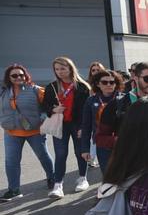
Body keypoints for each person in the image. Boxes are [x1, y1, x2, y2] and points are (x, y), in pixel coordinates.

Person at [0, 64, 55, 201]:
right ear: (9, 77)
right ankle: (14, 189)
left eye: (21, 75)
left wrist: (42, 118)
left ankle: (52, 178)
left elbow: (48, 106)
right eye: (14, 75)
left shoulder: (35, 90)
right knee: (11, 161)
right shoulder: (3, 92)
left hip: (34, 131)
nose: (19, 77)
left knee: (43, 156)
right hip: (11, 131)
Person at [42, 56, 91, 198]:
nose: (60, 72)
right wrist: (53, 109)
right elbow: (45, 105)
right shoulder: (51, 87)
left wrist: (84, 127)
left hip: (77, 124)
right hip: (60, 124)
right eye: (57, 69)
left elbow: (86, 110)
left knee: (79, 152)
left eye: (63, 68)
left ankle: (83, 178)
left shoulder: (82, 87)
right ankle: (58, 185)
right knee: (61, 154)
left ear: (70, 68)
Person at [96, 62, 148, 155]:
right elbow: (100, 138)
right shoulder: (117, 104)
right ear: (136, 79)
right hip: (128, 161)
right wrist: (122, 141)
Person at [79, 69, 123, 174]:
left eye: (112, 82)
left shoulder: (124, 99)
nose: (109, 84)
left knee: (124, 174)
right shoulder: (91, 101)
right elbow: (86, 126)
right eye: (104, 82)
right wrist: (85, 148)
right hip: (102, 143)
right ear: (98, 84)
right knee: (108, 175)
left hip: (122, 142)